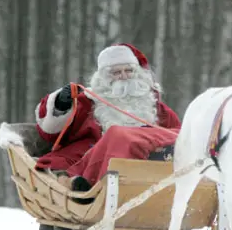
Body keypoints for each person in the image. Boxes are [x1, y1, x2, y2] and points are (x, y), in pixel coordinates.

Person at [34, 43, 181, 196]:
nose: (124, 76)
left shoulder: (153, 105)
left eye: (129, 70)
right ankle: (86, 186)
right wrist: (60, 104)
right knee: (116, 136)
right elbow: (50, 133)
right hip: (92, 158)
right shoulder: (88, 100)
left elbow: (177, 135)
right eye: (116, 72)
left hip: (146, 167)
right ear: (103, 77)